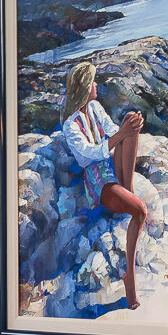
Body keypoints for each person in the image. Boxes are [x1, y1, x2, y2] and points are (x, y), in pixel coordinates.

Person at [57, 61, 147, 309]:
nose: (97, 84)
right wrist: (121, 134)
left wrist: (130, 127)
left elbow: (111, 131)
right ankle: (129, 278)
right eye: (93, 81)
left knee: (129, 119)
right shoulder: (70, 125)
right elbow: (89, 154)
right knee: (140, 211)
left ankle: (126, 192)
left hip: (112, 168)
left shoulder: (95, 107)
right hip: (98, 181)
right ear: (85, 86)